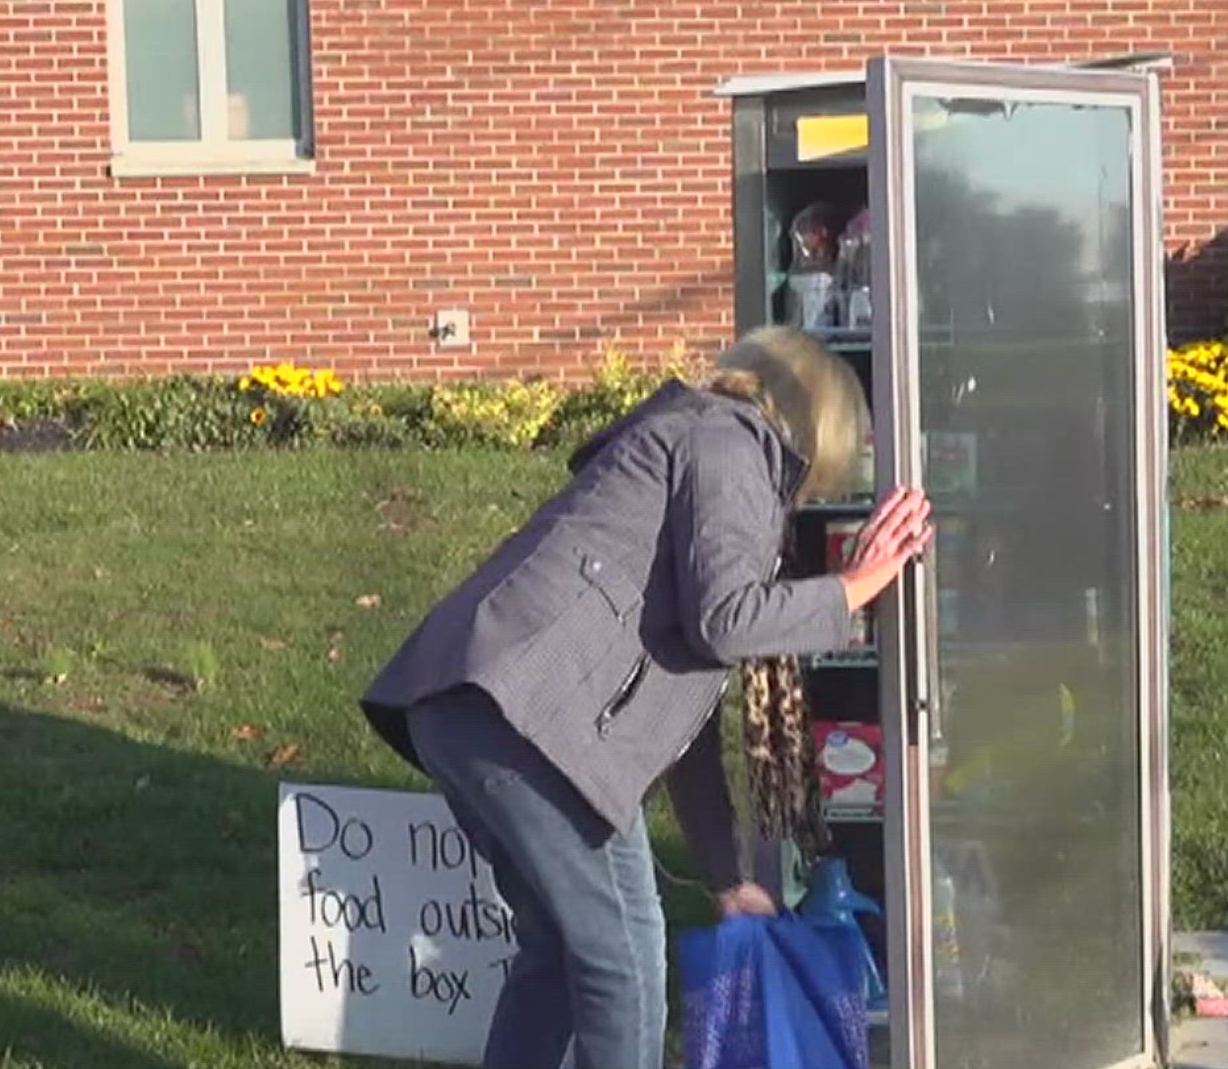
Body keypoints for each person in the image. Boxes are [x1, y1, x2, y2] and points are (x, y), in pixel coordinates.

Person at [359, 326, 932, 1069]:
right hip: (535, 723)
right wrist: (855, 587)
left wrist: (728, 877)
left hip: (475, 709)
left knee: (559, 958)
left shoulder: (688, 440)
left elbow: (678, 721)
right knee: (622, 961)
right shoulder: (731, 443)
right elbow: (727, 621)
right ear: (819, 426)